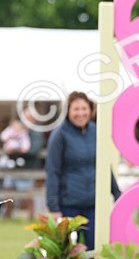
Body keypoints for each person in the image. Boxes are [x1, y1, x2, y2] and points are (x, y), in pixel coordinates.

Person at [45, 92, 120, 249]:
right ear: (68, 111)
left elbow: (104, 165)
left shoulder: (96, 132)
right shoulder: (59, 135)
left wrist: (117, 194)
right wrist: (54, 207)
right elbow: (52, 172)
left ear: (90, 109)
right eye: (76, 109)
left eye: (84, 108)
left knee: (94, 250)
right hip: (68, 205)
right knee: (69, 253)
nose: (80, 113)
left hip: (93, 205)